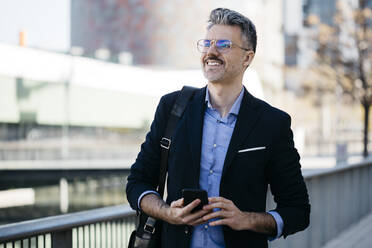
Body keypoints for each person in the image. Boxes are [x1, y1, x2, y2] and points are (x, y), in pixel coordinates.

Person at [126, 7, 310, 248]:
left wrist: (246, 220)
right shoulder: (172, 108)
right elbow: (137, 183)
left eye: (224, 44)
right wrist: (167, 212)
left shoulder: (272, 124)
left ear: (247, 58)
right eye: (207, 43)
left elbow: (298, 211)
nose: (211, 52)